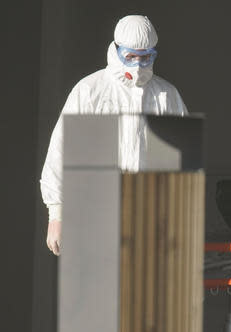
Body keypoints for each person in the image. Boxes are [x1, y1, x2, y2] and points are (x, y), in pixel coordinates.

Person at [41, 15, 187, 255]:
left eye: (145, 57)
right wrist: (56, 215)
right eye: (130, 56)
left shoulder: (166, 96)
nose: (138, 65)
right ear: (117, 50)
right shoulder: (90, 90)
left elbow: (183, 165)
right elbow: (61, 150)